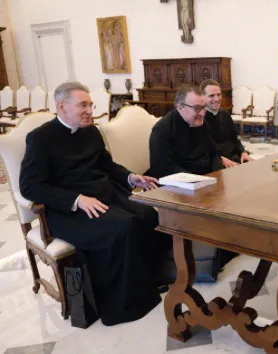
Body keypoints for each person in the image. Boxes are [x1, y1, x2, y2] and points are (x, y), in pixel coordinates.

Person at [19, 81, 168, 326]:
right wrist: (76, 200)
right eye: (83, 105)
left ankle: (148, 282)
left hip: (105, 194)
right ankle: (122, 304)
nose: (89, 110)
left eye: (90, 104)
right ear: (61, 106)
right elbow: (30, 186)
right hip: (68, 209)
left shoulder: (91, 130)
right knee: (122, 228)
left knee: (147, 215)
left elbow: (106, 166)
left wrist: (130, 177)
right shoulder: (40, 138)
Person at [149, 84, 223, 179]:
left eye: (203, 107)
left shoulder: (202, 123)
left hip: (208, 178)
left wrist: (217, 174)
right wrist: (196, 180)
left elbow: (215, 153)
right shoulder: (162, 130)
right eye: (197, 108)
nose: (202, 113)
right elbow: (163, 168)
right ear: (180, 107)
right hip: (180, 184)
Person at [200, 79, 253, 168]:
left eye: (218, 94)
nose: (217, 99)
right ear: (202, 97)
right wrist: (220, 159)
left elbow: (234, 139)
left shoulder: (225, 114)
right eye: (211, 95)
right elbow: (203, 149)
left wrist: (243, 152)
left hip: (233, 157)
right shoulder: (199, 119)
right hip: (215, 161)